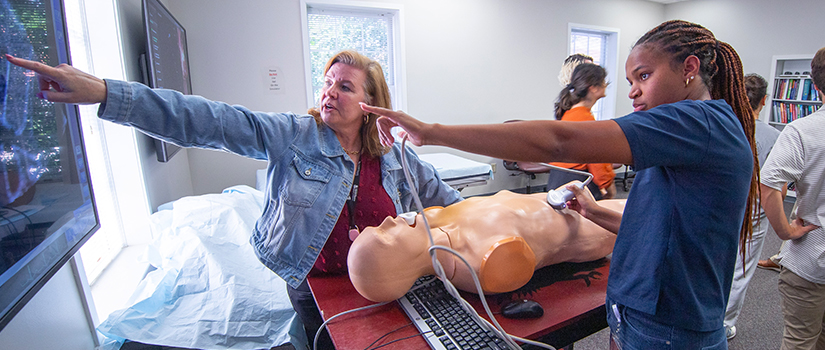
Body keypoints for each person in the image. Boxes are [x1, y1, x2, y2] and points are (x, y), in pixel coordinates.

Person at [4, 50, 462, 350]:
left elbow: (452, 205)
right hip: (314, 283)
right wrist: (106, 93)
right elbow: (209, 120)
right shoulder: (293, 136)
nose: (329, 92)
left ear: (371, 102)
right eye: (327, 82)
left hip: (388, 280)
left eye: (345, 86)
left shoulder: (396, 157)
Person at [363, 19, 760, 349]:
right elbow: (659, 229)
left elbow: (560, 140)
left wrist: (431, 131)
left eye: (644, 76)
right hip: (639, 312)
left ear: (690, 68)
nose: (633, 91)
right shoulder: (682, 139)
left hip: (668, 327)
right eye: (629, 79)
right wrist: (594, 211)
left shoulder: (699, 123)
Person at [348, 187, 626, 302]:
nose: (386, 219)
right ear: (397, 268)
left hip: (568, 202)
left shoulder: (434, 222)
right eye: (383, 236)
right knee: (657, 218)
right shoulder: (479, 264)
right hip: (590, 226)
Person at [759, 46, 825, 350]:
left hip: (811, 258)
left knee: (800, 341)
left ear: (816, 84)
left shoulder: (803, 130)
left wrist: (785, 232)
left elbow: (769, 184)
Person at [723, 73, 782, 340]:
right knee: (741, 266)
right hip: (754, 206)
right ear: (764, 101)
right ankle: (723, 323)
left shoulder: (723, 125)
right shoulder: (773, 135)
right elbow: (774, 185)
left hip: (720, 202)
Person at [547, 63, 617, 200]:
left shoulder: (568, 114)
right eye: (604, 82)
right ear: (593, 88)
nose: (606, 85)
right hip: (576, 187)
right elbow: (598, 164)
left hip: (557, 184)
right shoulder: (586, 121)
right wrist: (610, 190)